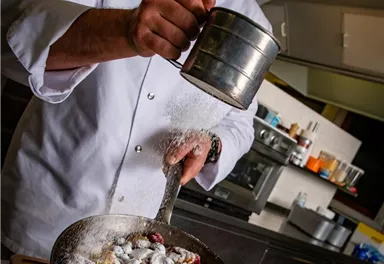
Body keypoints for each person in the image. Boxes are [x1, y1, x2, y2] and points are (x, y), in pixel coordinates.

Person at [0, 0, 272, 259]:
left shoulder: (253, 22)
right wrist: (123, 30)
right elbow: (12, 38)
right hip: (43, 217)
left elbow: (240, 122)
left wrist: (212, 144)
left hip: (135, 241)